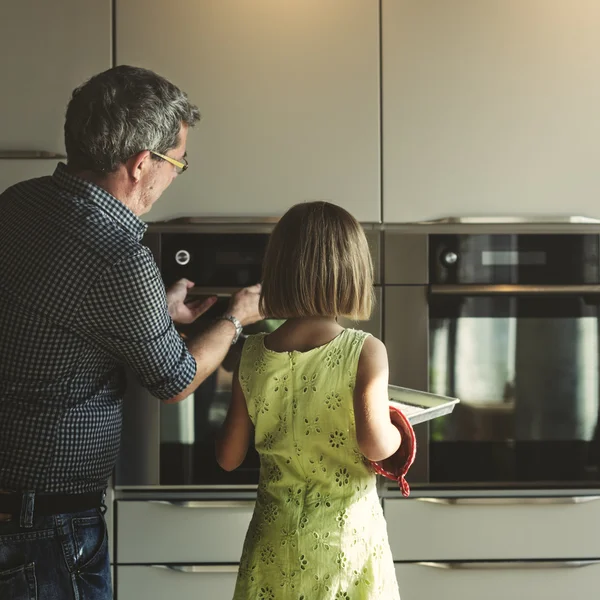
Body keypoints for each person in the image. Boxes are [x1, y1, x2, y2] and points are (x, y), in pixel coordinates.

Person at [0, 65, 261, 600]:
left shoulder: (16, 203)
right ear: (143, 164)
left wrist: (151, 316)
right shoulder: (119, 257)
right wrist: (237, 317)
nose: (175, 174)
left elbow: (58, 316)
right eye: (178, 162)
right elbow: (176, 381)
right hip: (49, 524)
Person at [216, 201, 403, 599]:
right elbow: (376, 444)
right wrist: (399, 431)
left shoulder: (250, 353)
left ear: (278, 271)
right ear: (353, 272)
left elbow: (228, 457)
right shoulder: (365, 351)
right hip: (343, 544)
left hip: (272, 543)